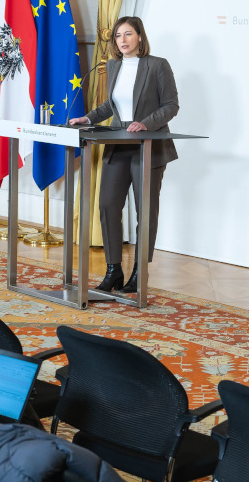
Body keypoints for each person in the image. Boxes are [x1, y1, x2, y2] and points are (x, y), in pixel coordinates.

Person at [68, 16, 179, 294]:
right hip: (118, 143)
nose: (123, 40)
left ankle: (140, 272)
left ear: (140, 36)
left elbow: (171, 105)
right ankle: (113, 270)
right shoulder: (114, 65)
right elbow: (111, 105)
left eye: (128, 34)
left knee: (146, 211)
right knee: (107, 204)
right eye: (118, 36)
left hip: (147, 146)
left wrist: (145, 123)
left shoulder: (157, 65)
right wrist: (88, 117)